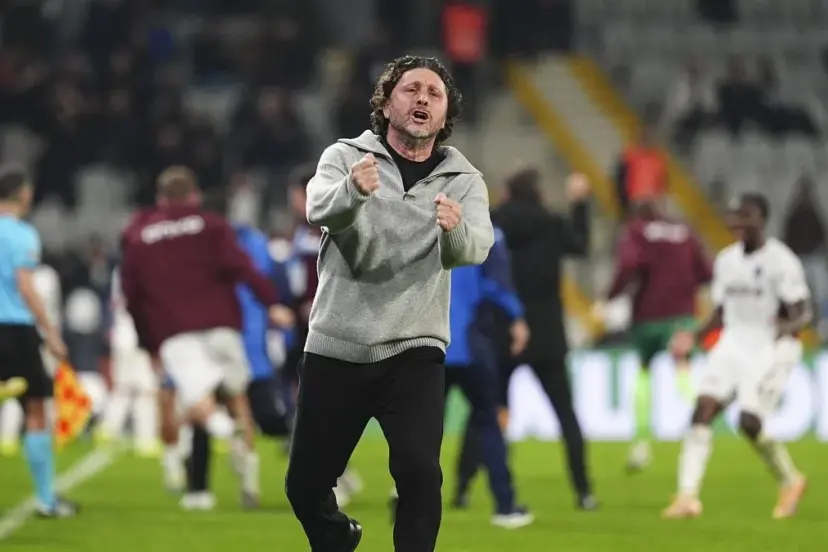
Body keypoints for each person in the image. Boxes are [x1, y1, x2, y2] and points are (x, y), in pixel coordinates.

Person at [284, 55, 494, 552]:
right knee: (305, 486)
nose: (422, 98)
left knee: (420, 474)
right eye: (411, 89)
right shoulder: (345, 156)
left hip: (413, 347)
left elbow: (473, 250)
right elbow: (317, 208)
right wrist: (353, 191)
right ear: (385, 103)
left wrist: (454, 229)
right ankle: (339, 538)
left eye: (434, 94)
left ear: (445, 114)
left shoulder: (464, 179)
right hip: (337, 343)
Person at [119, 166, 287, 510]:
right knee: (237, 399)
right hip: (223, 326)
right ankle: (249, 482)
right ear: (194, 195)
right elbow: (243, 268)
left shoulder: (140, 237)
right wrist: (271, 303)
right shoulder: (212, 226)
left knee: (198, 404)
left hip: (177, 333)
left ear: (161, 198)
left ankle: (222, 431)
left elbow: (132, 296)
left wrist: (148, 342)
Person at [663, 193, 810, 519]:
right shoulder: (726, 260)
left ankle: (790, 480)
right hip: (733, 341)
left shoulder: (781, 261)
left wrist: (786, 327)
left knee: (748, 422)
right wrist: (694, 336)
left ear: (762, 220)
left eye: (745, 216)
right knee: (703, 408)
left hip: (770, 346)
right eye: (734, 216)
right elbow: (720, 311)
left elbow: (803, 311)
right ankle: (687, 497)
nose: (737, 222)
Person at [389, 225, 533, 528]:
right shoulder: (486, 232)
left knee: (421, 427)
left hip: (427, 344)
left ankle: (405, 497)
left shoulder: (419, 226)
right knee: (488, 420)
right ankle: (505, 506)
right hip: (468, 346)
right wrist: (516, 317)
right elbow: (495, 287)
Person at [492, 169, 598, 510]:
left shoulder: (495, 221)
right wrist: (579, 204)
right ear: (537, 193)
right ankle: (584, 492)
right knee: (566, 415)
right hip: (548, 333)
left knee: (490, 413)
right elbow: (580, 245)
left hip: (506, 330)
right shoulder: (551, 223)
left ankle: (465, 489)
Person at [593, 197, 712, 472]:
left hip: (648, 314)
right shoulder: (683, 231)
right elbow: (706, 272)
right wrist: (682, 284)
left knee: (644, 371)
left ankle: (641, 444)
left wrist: (609, 298)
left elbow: (627, 265)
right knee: (682, 366)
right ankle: (704, 426)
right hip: (681, 314)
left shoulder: (636, 231)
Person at [284, 164, 364, 508]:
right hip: (309, 329)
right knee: (320, 407)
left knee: (324, 407)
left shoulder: (330, 228)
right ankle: (339, 473)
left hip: (332, 328)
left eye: (296, 195)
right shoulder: (303, 232)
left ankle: (333, 479)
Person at [0, 170, 78, 517]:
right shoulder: (21, 233)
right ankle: (46, 500)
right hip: (15, 329)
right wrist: (51, 333)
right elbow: (26, 286)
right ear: (23, 194)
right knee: (35, 409)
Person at [96, 266, 161, 457]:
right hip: (138, 335)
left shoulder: (120, 269)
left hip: (121, 334)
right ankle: (145, 440)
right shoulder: (145, 266)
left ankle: (108, 429)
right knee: (146, 391)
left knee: (123, 388)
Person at [0, 262, 62, 456]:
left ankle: (8, 435)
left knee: (15, 390)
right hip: (31, 336)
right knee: (39, 394)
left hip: (20, 335)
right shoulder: (46, 276)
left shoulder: (12, 273)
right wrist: (53, 334)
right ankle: (47, 434)